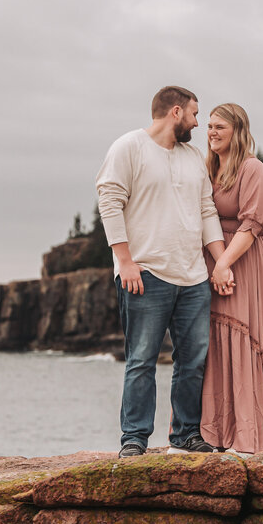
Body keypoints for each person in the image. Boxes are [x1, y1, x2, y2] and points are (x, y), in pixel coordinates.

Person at [95, 86, 231, 457]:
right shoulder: (128, 147)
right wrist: (124, 261)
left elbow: (207, 212)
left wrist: (219, 263)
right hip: (145, 274)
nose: (198, 122)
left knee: (193, 362)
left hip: (194, 279)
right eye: (194, 114)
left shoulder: (192, 158)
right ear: (175, 112)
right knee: (141, 360)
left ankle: (186, 434)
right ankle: (134, 439)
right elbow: (109, 200)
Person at [200, 103, 263, 454]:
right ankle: (211, 434)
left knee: (242, 336)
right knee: (213, 343)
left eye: (220, 127)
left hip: (244, 260)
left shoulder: (253, 169)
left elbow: (252, 225)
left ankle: (246, 438)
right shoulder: (209, 167)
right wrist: (216, 263)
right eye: (209, 126)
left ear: (238, 130)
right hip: (216, 259)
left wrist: (224, 265)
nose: (212, 132)